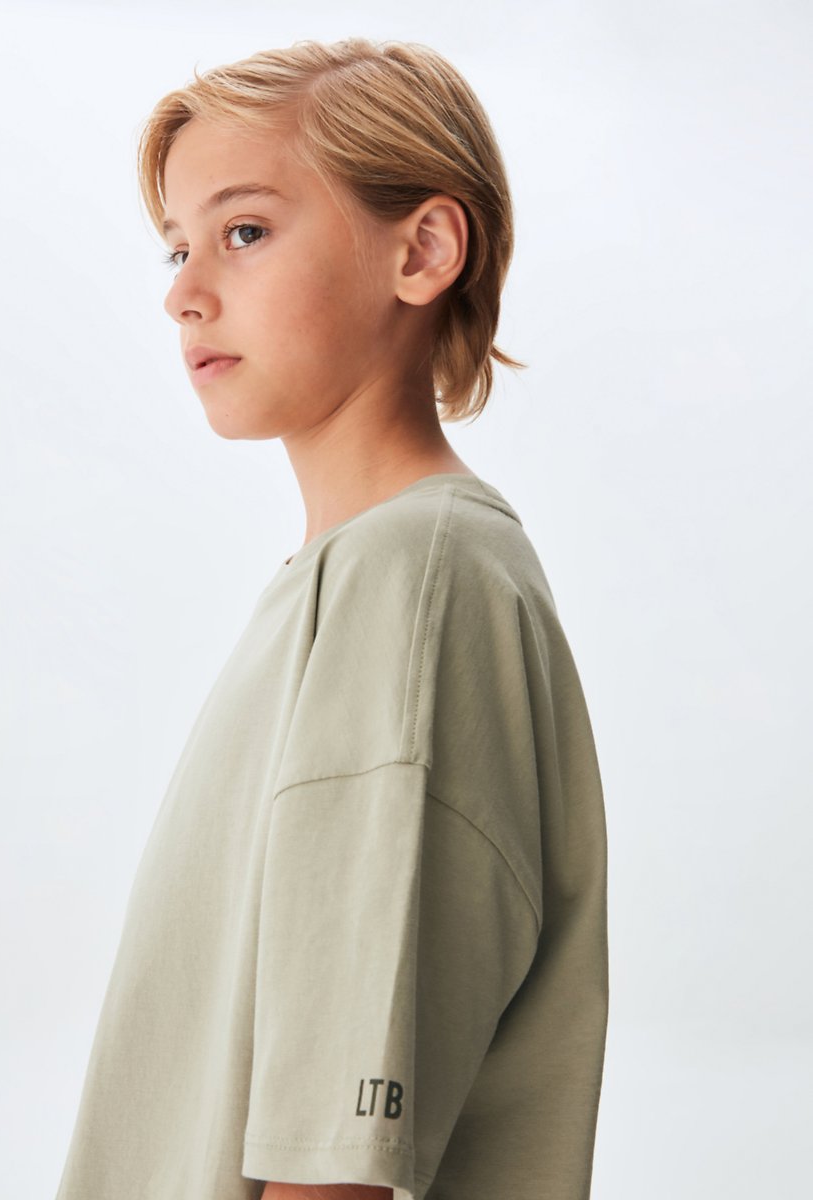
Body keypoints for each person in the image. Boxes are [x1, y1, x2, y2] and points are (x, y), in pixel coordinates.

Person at [54, 36, 608, 1200]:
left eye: (246, 231)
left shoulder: (413, 581)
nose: (182, 292)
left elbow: (335, 1162)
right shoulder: (354, 581)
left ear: (424, 249)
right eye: (178, 246)